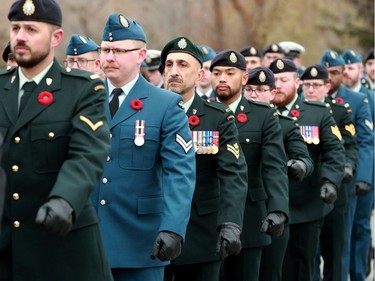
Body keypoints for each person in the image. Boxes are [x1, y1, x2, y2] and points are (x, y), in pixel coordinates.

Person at [0, 0, 114, 280]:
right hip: (7, 250)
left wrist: (65, 198)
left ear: (56, 38)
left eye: (31, 29)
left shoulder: (84, 89)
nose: (20, 36)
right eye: (15, 28)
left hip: (64, 249)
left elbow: (88, 152)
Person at [91, 15, 196, 281]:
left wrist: (173, 228)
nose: (109, 57)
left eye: (118, 51)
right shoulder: (85, 98)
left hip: (139, 242)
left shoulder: (165, 105)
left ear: (140, 55)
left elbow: (179, 173)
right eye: (105, 50)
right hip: (86, 239)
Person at [161, 37, 248, 281]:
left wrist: (231, 223)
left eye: (182, 65)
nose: (174, 72)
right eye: (169, 65)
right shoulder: (146, 112)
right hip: (152, 229)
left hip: (200, 233)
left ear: (200, 76)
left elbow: (233, 174)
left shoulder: (218, 117)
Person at [211, 50, 289, 281]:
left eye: (230, 73)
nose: (222, 78)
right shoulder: (202, 113)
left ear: (244, 79)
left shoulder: (263, 115)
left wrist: (278, 209)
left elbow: (274, 166)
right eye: (217, 73)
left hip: (250, 216)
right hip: (208, 217)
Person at [267, 58, 345, 281]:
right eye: (276, 81)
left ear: (297, 82)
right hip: (269, 205)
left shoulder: (316, 113)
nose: (279, 85)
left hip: (305, 205)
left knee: (301, 267)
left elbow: (334, 151)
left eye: (284, 80)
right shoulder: (262, 114)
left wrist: (330, 181)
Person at [244, 66, 314, 281]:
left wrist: (299, 164)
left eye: (261, 90)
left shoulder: (284, 126)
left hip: (272, 209)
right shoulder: (231, 123)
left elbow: (304, 156)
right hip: (242, 210)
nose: (254, 95)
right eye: (250, 89)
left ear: (272, 94)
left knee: (270, 272)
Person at [300, 64, 358, 281]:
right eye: (307, 85)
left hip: (334, 189)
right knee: (308, 254)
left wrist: (347, 166)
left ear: (327, 86)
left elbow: (350, 144)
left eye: (316, 85)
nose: (311, 90)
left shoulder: (340, 111)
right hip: (307, 189)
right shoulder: (296, 113)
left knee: (334, 251)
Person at [320, 50, 374, 281]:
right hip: (317, 180)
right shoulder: (307, 98)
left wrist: (362, 177)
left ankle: (356, 275)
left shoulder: (356, 101)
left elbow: (365, 142)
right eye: (326, 73)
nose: (329, 79)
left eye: (334, 73)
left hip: (346, 181)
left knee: (347, 237)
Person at [342, 49, 374, 117]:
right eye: (343, 69)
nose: (345, 72)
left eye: (350, 68)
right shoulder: (334, 97)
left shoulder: (372, 98)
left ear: (361, 72)